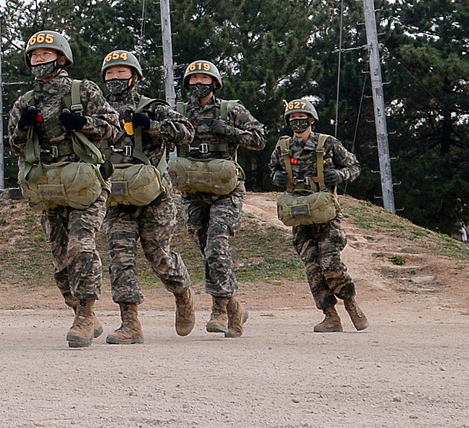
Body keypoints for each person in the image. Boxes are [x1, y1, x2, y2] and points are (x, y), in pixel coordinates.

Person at [7, 30, 119, 348]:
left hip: (86, 181)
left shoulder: (84, 91)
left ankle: (85, 314)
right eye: (34, 55)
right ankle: (80, 310)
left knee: (81, 246)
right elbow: (14, 147)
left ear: (61, 58)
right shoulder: (25, 102)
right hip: (48, 185)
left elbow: (113, 127)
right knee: (60, 259)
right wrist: (22, 128)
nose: (39, 60)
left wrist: (83, 123)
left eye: (45, 54)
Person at [99, 49, 197, 344]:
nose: (115, 77)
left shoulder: (152, 106)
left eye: (121, 72)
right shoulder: (98, 109)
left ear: (135, 76)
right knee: (120, 256)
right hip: (117, 195)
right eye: (110, 73)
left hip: (155, 197)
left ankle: (183, 294)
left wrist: (151, 125)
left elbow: (186, 131)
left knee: (159, 257)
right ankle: (130, 322)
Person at [171, 59, 265, 338]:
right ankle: (235, 308)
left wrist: (230, 131)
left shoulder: (231, 110)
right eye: (193, 79)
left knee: (216, 245)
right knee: (208, 252)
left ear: (214, 83)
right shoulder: (179, 112)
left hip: (226, 192)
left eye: (203, 78)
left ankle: (219, 310)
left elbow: (259, 139)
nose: (198, 83)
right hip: (192, 191)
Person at [270, 99, 367, 332]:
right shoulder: (283, 147)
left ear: (311, 119)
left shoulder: (328, 144)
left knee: (331, 263)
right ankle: (330, 315)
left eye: (301, 117)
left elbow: (355, 166)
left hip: (326, 215)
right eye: (292, 118)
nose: (297, 121)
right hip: (300, 215)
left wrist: (340, 175)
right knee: (312, 267)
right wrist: (277, 178)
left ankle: (350, 302)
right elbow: (273, 171)